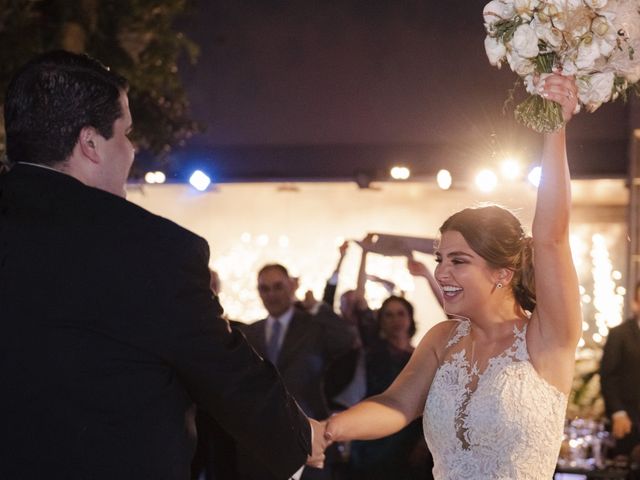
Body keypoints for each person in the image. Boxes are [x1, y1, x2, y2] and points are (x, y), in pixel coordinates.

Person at [0, 50, 326, 480]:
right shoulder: (148, 248)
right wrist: (298, 436)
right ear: (91, 144)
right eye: (126, 134)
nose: (132, 151)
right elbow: (222, 366)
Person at [323, 73, 582, 479]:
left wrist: (555, 127)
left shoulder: (546, 338)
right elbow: (397, 405)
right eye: (440, 258)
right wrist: (331, 430)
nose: (442, 272)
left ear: (502, 272)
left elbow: (551, 237)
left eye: (458, 261)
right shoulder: (442, 340)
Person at [236, 263, 357, 480]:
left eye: (278, 286)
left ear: (291, 286)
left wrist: (317, 308)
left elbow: (346, 339)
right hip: (260, 445)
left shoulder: (313, 326)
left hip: (309, 440)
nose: (271, 294)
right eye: (265, 288)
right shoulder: (248, 333)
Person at [349, 295, 432, 480]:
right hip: (372, 435)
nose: (396, 320)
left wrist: (423, 443)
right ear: (380, 321)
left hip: (409, 439)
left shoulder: (424, 356)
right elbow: (360, 305)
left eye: (400, 314)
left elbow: (430, 403)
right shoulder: (374, 350)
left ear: (410, 318)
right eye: (389, 315)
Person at [600, 280, 640, 457]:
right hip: (629, 420)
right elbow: (608, 376)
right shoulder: (619, 334)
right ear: (635, 302)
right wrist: (618, 413)